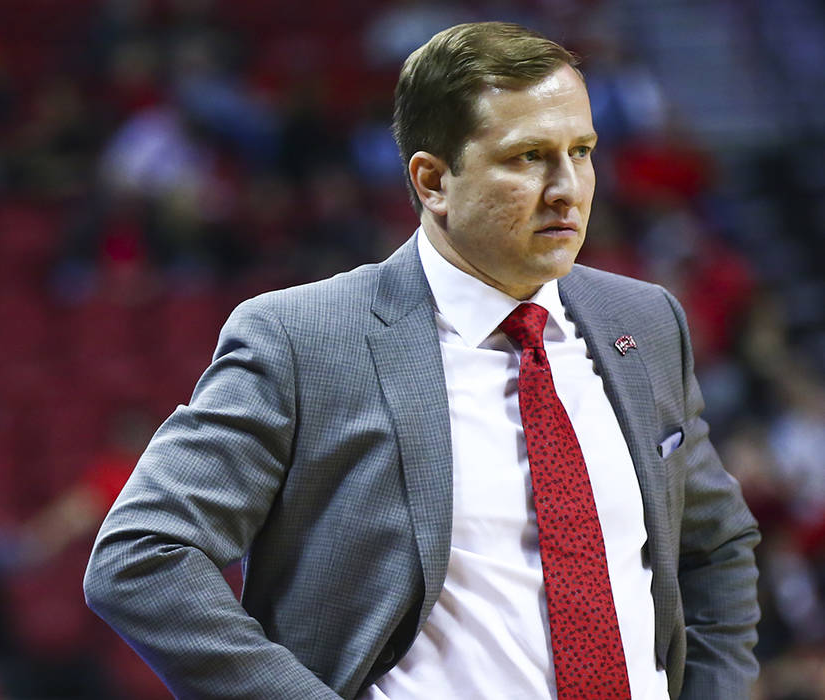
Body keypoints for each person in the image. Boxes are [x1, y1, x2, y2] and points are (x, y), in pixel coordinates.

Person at [84, 22, 760, 699]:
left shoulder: (643, 321)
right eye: (527, 157)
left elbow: (715, 547)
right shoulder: (304, 340)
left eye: (580, 151)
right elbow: (140, 557)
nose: (568, 188)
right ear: (433, 181)